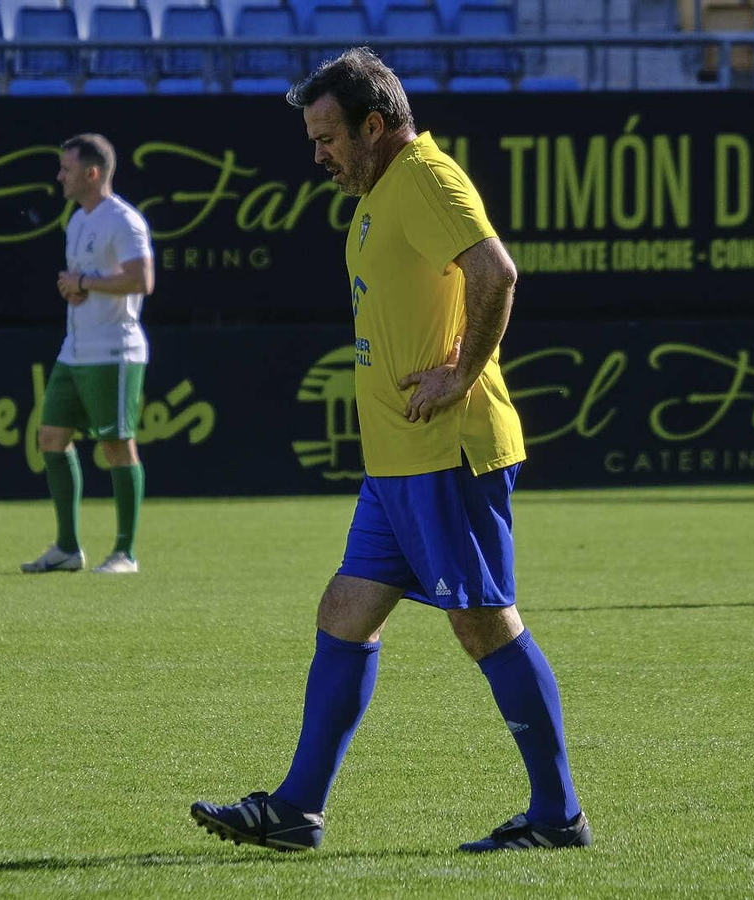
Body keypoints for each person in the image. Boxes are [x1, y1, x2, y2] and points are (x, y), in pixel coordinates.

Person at [189, 49, 590, 853]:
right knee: (345, 609)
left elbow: (496, 271)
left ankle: (558, 816)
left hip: (447, 453)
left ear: (376, 126)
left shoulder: (428, 180)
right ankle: (297, 810)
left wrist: (460, 373)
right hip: (397, 465)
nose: (319, 154)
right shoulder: (379, 191)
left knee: (484, 625)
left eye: (329, 136)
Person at [20, 133, 155, 576]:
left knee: (116, 445)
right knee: (51, 439)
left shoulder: (123, 220)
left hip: (114, 350)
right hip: (75, 348)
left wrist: (84, 283)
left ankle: (125, 553)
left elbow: (141, 279)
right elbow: (89, 280)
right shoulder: (78, 220)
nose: (60, 176)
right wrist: (76, 286)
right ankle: (67, 547)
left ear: (92, 173)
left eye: (67, 168)